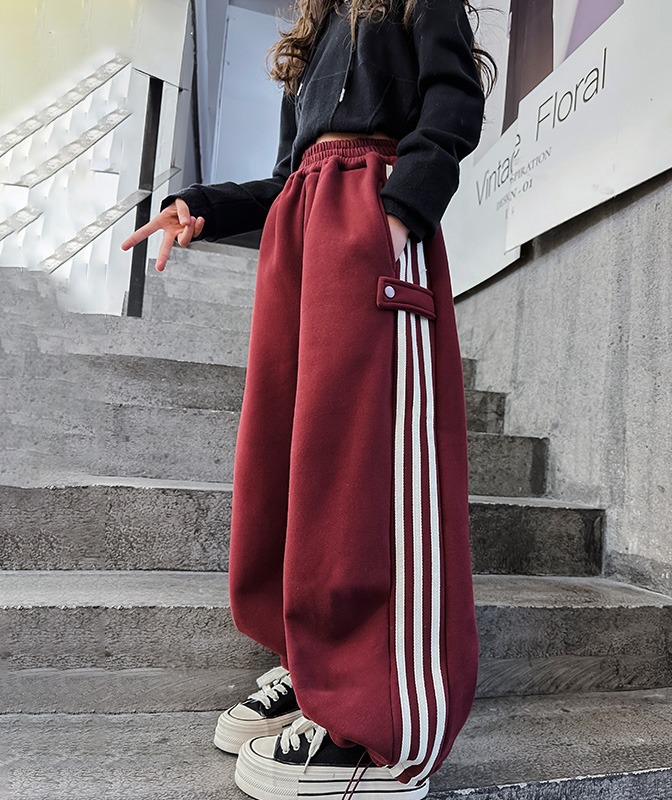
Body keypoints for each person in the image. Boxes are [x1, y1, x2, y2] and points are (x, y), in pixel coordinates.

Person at [121, 1, 496, 798]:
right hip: (303, 233)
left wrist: (399, 213)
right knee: (290, 465)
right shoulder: (313, 37)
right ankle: (316, 665)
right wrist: (204, 204)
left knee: (363, 471)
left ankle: (383, 729)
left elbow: (455, 98)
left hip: (370, 224)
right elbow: (288, 176)